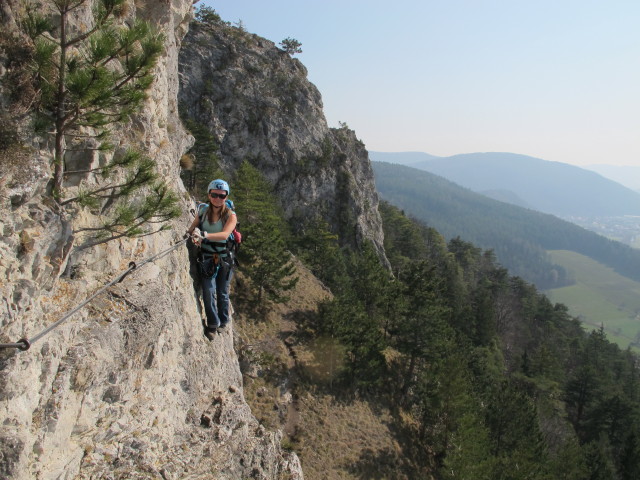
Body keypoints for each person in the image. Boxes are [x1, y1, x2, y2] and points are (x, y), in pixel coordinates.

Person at [187, 179, 238, 339]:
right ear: (209, 195)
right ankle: (213, 324)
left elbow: (224, 235)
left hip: (224, 259)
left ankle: (224, 320)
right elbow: (192, 228)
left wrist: (204, 235)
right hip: (207, 258)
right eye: (214, 194)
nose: (218, 198)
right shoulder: (202, 211)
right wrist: (192, 233)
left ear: (226, 196)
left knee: (222, 292)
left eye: (222, 196)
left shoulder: (230, 216)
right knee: (209, 292)